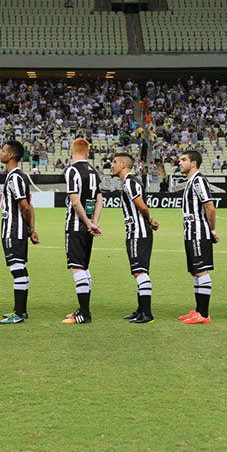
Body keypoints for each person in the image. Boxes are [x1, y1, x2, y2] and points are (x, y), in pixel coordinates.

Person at [112, 152, 159, 324]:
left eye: (115, 162)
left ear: (124, 165)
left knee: (139, 271)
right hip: (138, 232)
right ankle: (141, 310)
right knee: (139, 271)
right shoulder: (129, 182)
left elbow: (141, 205)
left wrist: (148, 219)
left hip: (137, 233)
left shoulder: (130, 182)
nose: (112, 165)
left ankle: (146, 313)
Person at [61, 138, 103, 325]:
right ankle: (83, 309)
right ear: (87, 152)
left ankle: (84, 314)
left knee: (76, 267)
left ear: (72, 151)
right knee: (84, 267)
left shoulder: (72, 170)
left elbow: (75, 201)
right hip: (88, 227)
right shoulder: (94, 172)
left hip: (76, 226)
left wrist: (86, 222)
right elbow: (100, 199)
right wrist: (94, 222)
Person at [0, 141, 39, 324]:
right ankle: (19, 310)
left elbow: (25, 206)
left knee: (17, 268)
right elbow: (30, 206)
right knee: (19, 267)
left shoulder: (15, 177)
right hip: (18, 230)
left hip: (13, 230)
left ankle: (20, 313)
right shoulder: (18, 176)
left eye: (4, 151)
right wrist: (31, 228)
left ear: (12, 156)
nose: (1, 153)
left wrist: (28, 227)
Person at [176, 150, 218, 325]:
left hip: (198, 232)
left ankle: (204, 313)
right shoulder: (191, 182)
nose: (180, 163)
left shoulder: (199, 180)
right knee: (195, 271)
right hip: (190, 233)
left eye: (184, 160)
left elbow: (210, 206)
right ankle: (198, 310)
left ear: (194, 163)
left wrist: (212, 231)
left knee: (201, 270)